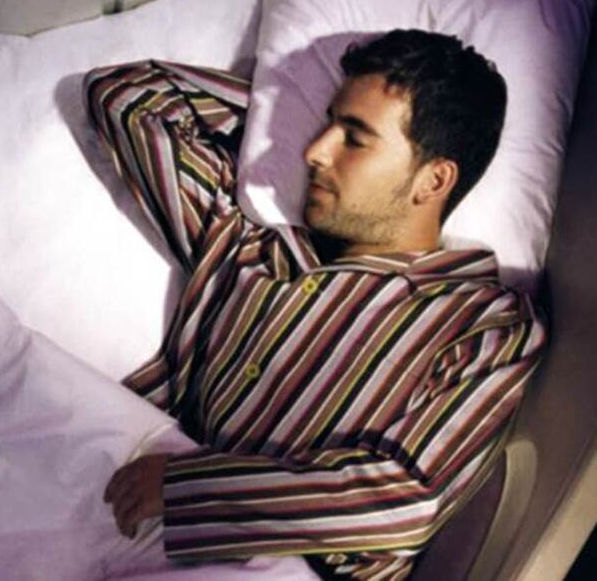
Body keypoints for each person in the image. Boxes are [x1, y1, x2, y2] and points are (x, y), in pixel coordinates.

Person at [85, 29, 546, 580]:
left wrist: (187, 489)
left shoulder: (486, 323)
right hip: (112, 506)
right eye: (324, 123)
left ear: (434, 180)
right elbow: (129, 99)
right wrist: (279, 113)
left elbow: (404, 501)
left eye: (355, 138)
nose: (313, 151)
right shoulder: (251, 248)